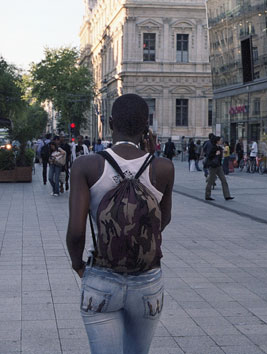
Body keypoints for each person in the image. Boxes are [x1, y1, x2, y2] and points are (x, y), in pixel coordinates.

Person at [66, 93, 174, 354]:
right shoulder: (163, 167)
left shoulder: (86, 165)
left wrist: (78, 265)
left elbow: (76, 231)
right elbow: (163, 219)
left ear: (110, 123)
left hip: (102, 277)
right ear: (146, 126)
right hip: (147, 280)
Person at [204, 135, 233, 201]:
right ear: (217, 141)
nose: (221, 141)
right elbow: (208, 156)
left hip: (219, 166)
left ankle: (227, 196)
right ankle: (207, 195)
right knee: (210, 181)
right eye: (220, 140)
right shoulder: (212, 147)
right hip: (213, 166)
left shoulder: (219, 148)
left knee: (224, 180)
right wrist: (215, 154)